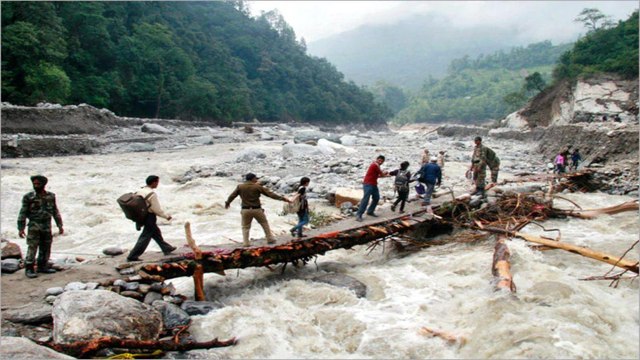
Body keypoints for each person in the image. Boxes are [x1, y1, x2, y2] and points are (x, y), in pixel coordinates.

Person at [225, 173, 291, 246]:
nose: (256, 179)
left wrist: (227, 203)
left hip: (245, 210)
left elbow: (232, 196)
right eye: (255, 178)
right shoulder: (257, 187)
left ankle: (246, 243)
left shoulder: (240, 186)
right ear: (253, 179)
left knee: (245, 227)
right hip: (257, 209)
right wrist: (283, 199)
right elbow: (270, 194)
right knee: (264, 223)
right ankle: (270, 239)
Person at [17, 175, 63, 278]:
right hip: (34, 225)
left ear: (43, 184)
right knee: (32, 246)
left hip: (47, 224)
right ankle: (29, 268)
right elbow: (23, 212)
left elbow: (55, 211)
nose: (35, 185)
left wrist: (59, 225)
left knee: (46, 245)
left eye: (38, 184)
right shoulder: (28, 197)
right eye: (34, 184)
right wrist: (21, 228)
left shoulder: (51, 196)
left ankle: (43, 266)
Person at [127, 175, 176, 261]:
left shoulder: (140, 190)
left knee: (156, 232)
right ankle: (133, 256)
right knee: (145, 237)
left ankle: (166, 248)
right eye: (157, 182)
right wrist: (166, 216)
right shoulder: (151, 194)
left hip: (141, 215)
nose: (157, 184)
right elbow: (156, 209)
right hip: (149, 216)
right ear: (153, 182)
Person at [355, 155, 389, 222]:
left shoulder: (376, 166)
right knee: (366, 199)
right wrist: (387, 174)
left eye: (381, 161)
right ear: (377, 159)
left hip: (373, 184)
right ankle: (359, 214)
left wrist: (385, 175)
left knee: (376, 198)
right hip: (368, 184)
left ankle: (370, 211)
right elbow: (382, 174)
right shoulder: (375, 165)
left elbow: (378, 176)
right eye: (379, 160)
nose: (380, 162)